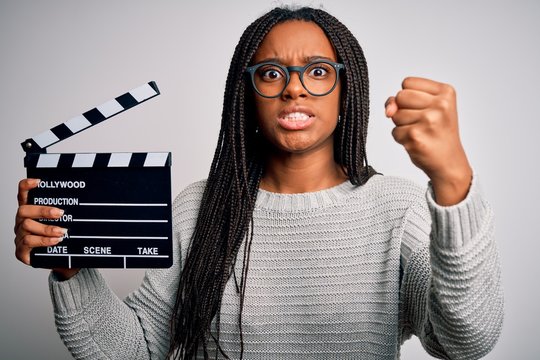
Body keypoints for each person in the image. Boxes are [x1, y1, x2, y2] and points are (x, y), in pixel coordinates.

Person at [14, 6, 503, 360]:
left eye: (317, 71)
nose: (293, 87)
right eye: (271, 73)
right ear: (246, 94)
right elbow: (133, 354)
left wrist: (452, 181)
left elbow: (466, 342)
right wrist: (70, 266)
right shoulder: (197, 209)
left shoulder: (400, 210)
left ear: (346, 90)